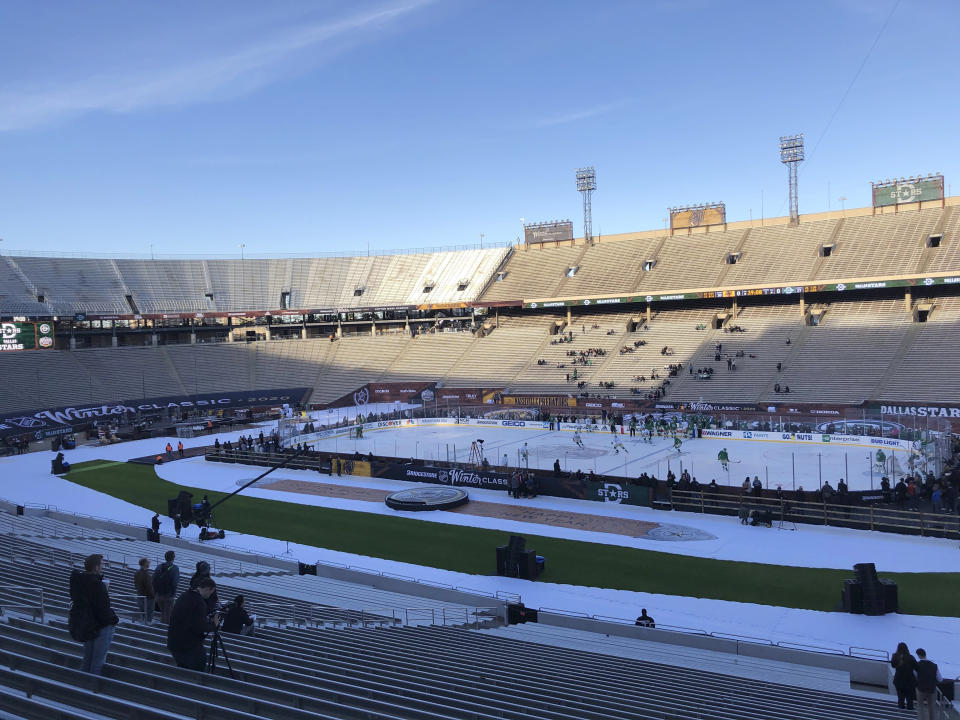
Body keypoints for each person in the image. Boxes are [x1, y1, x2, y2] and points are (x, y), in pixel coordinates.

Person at [70, 554, 118, 675]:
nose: (102, 567)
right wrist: (114, 619)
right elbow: (103, 608)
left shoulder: (79, 582)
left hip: (87, 623)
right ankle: (91, 688)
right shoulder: (98, 585)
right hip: (100, 624)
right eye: (101, 565)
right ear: (96, 567)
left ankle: (83, 686)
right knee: (98, 661)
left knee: (87, 659)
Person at [167, 577, 221, 671]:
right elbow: (200, 626)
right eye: (211, 593)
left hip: (174, 642)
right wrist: (214, 624)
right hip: (188, 645)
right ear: (208, 589)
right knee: (197, 671)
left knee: (183, 671)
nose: (210, 595)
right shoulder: (199, 602)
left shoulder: (184, 595)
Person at [152, 549, 180, 624]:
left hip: (159, 594)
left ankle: (162, 626)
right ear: (173, 558)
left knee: (163, 612)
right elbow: (175, 582)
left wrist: (156, 592)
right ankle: (164, 631)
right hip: (169, 595)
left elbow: (153, 580)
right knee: (168, 615)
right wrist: (173, 593)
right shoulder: (175, 568)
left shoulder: (159, 567)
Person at [915, 648, 942, 720]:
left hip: (920, 689)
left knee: (920, 707)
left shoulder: (917, 665)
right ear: (925, 654)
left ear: (919, 655)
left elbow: (914, 676)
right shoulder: (934, 665)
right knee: (932, 707)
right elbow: (940, 679)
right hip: (932, 689)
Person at [890, 642, 918, 710]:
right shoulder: (911, 657)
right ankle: (910, 711)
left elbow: (893, 665)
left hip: (898, 681)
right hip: (909, 681)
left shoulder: (895, 656)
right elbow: (917, 667)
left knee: (900, 699)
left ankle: (901, 710)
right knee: (910, 699)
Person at [133, 557, 155, 625]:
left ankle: (143, 622)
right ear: (145, 564)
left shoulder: (137, 573)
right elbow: (149, 587)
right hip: (148, 597)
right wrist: (153, 596)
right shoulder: (146, 575)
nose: (149, 563)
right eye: (148, 562)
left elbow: (135, 584)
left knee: (142, 611)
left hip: (140, 594)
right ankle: (147, 624)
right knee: (149, 612)